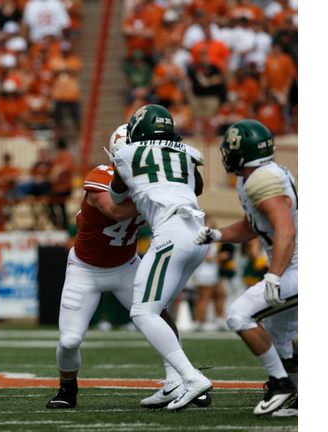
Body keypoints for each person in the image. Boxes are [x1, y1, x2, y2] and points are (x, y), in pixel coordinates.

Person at [46, 125, 208, 410]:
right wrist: (157, 197)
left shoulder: (154, 182)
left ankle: (180, 380)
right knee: (70, 341)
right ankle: (67, 389)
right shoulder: (101, 175)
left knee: (157, 313)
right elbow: (114, 210)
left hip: (126, 265)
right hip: (85, 268)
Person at [109, 104, 213, 411]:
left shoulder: (126, 154)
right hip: (198, 233)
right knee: (159, 306)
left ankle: (190, 378)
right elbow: (198, 186)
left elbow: (116, 197)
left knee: (142, 312)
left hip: (171, 234)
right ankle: (174, 383)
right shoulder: (187, 152)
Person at [195, 119, 297, 417]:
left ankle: (281, 384)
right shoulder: (253, 178)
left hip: (297, 267)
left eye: (230, 149)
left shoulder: (260, 179)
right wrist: (218, 235)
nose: (227, 154)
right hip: (292, 264)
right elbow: (253, 225)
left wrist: (275, 275)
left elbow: (285, 230)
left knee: (239, 314)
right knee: (280, 344)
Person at [191, 218, 227, 331]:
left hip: (210, 274)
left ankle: (200, 320)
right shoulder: (204, 241)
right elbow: (207, 258)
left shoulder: (210, 241)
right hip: (205, 274)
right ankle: (203, 321)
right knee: (204, 298)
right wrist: (221, 257)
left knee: (219, 294)